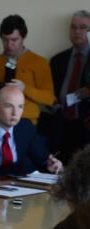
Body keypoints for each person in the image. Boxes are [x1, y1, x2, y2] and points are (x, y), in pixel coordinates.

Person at [0, 86, 62, 180]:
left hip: (18, 188)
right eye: (9, 106)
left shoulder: (25, 127)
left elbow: (41, 158)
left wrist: (50, 164)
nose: (15, 113)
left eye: (20, 107)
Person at [0, 15, 54, 125]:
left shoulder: (39, 63)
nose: (9, 45)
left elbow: (49, 99)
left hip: (26, 122)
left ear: (23, 37)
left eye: (14, 40)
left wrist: (25, 89)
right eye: (5, 40)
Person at [46, 10, 90, 162]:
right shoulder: (57, 60)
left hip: (85, 128)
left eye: (83, 27)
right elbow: (49, 93)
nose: (77, 31)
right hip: (60, 126)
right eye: (73, 27)